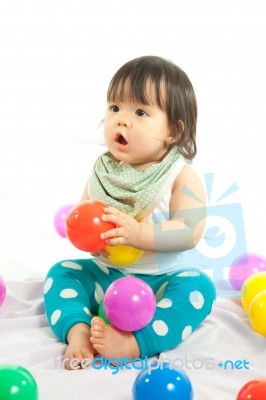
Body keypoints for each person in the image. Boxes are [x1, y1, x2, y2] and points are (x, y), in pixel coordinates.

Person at [44, 55, 216, 370]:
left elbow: (190, 230)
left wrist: (138, 234)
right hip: (105, 278)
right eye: (115, 108)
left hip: (159, 282)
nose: (122, 119)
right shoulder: (103, 172)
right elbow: (83, 216)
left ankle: (135, 342)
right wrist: (89, 241)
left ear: (173, 131)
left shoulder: (181, 176)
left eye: (140, 112)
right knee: (61, 272)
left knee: (199, 288)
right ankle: (79, 331)